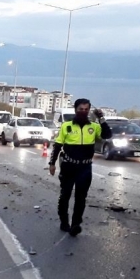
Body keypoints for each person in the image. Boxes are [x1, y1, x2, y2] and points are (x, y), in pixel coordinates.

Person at [48, 99, 112, 237]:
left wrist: (101, 117)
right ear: (75, 110)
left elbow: (107, 135)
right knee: (65, 195)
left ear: (89, 111)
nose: (83, 112)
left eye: (86, 109)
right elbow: (58, 145)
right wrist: (52, 163)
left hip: (85, 168)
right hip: (68, 166)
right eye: (80, 109)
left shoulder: (94, 127)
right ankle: (64, 222)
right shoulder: (67, 126)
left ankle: (76, 224)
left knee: (81, 197)